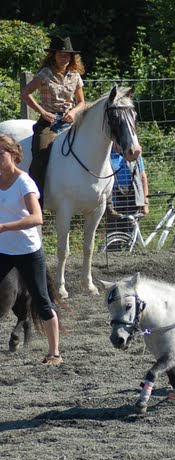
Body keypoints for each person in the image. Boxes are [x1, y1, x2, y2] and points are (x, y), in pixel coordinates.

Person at [0, 134, 62, 366]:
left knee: (42, 300)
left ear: (13, 155)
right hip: (3, 249)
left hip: (27, 251)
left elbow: (37, 218)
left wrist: (5, 226)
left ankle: (54, 353)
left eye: (0, 154)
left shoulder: (24, 182)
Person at [21, 36, 85, 205]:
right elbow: (25, 93)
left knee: (93, 145)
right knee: (41, 154)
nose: (64, 58)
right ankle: (35, 199)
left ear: (72, 57)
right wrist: (42, 112)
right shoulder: (45, 73)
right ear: (53, 56)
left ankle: (104, 201)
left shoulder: (75, 76)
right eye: (60, 55)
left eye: (67, 55)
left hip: (69, 119)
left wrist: (74, 112)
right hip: (49, 121)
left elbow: (82, 102)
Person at [107, 143, 149, 233]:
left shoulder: (133, 153)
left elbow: (143, 177)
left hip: (132, 200)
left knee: (132, 235)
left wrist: (145, 203)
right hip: (113, 202)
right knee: (114, 235)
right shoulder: (106, 155)